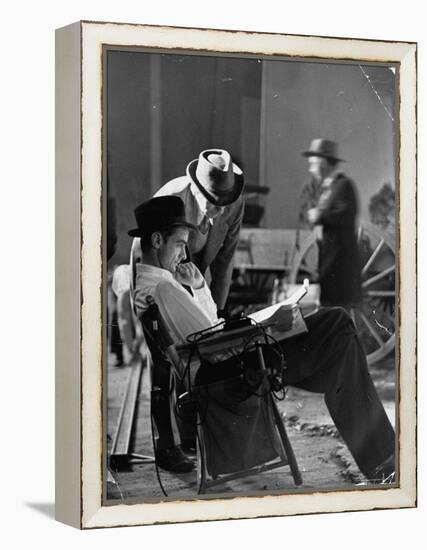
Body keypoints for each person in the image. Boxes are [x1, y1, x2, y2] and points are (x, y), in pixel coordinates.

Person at [130, 196, 395, 483]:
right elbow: (210, 343)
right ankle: (383, 459)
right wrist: (260, 325)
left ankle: (382, 461)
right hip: (234, 370)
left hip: (231, 362)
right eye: (180, 244)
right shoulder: (164, 289)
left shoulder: (155, 285)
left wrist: (198, 288)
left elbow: (207, 333)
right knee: (338, 324)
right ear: (157, 241)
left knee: (341, 352)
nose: (183, 254)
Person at [131, 148, 244, 311]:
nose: (220, 211)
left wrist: (218, 314)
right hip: (164, 278)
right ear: (196, 190)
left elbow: (225, 262)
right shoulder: (171, 199)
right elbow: (142, 253)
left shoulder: (235, 204)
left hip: (197, 278)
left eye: (224, 203)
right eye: (213, 202)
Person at [302, 139, 362, 310]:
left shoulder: (344, 186)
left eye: (313, 164)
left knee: (337, 313)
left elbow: (346, 214)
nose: (310, 169)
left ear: (323, 163)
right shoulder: (330, 188)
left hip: (340, 267)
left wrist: (320, 215)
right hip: (330, 265)